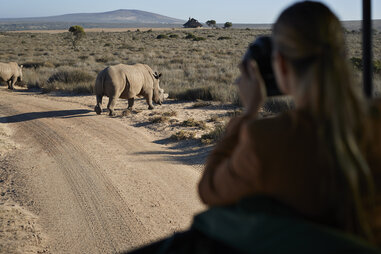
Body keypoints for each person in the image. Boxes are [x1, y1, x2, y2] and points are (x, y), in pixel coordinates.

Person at [198, 0, 381, 247]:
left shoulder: (267, 139)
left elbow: (210, 190)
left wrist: (249, 111)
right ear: (343, 55)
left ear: (281, 64)